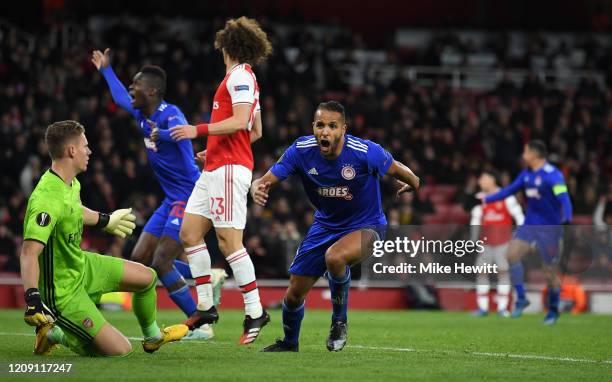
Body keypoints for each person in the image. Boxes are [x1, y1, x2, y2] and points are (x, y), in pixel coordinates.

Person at [251, 101, 420, 352]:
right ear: (313, 127)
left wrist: (414, 183)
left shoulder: (365, 152)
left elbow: (399, 169)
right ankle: (289, 343)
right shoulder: (300, 151)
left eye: (332, 126)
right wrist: (257, 186)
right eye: (320, 125)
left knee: (335, 257)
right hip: (325, 226)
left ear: (343, 129)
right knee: (294, 292)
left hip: (367, 225)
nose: (325, 132)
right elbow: (266, 179)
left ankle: (339, 322)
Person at [21, 120, 187, 357]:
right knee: (120, 350)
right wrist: (33, 298)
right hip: (62, 291)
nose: (89, 151)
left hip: (82, 265)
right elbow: (29, 252)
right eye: (85, 146)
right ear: (71, 151)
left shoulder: (70, 183)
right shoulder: (46, 199)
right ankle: (52, 333)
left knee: (147, 278)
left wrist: (106, 220)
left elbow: (76, 210)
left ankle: (153, 338)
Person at [92, 49, 225, 339]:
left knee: (161, 262)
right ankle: (205, 277)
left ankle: (200, 324)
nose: (131, 88)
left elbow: (181, 137)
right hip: (170, 198)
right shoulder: (141, 113)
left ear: (152, 91)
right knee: (140, 257)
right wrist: (106, 70)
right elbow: (119, 98)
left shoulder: (170, 114)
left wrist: (161, 134)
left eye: (136, 84)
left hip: (190, 196)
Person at [169, 16, 271, 344]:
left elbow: (241, 121)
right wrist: (211, 147)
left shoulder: (239, 77)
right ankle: (205, 307)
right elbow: (256, 131)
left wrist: (198, 131)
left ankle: (255, 311)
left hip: (229, 169)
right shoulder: (242, 79)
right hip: (215, 165)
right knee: (189, 233)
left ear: (227, 45)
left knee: (229, 243)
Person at [480, 140, 573, 325]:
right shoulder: (526, 175)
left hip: (550, 229)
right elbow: (509, 190)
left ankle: (553, 310)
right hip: (530, 224)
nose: (523, 155)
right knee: (511, 255)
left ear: (535, 155)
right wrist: (487, 199)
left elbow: (564, 199)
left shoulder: (553, 176)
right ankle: (522, 298)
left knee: (549, 271)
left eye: (526, 151)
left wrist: (567, 219)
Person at [470, 169, 524, 317]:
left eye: (483, 178)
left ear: (492, 179)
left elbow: (519, 218)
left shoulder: (506, 197)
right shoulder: (479, 198)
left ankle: (502, 308)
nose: (480, 182)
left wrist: (521, 237)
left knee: (503, 272)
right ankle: (483, 308)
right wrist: (473, 240)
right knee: (481, 272)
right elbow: (475, 220)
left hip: (504, 242)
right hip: (485, 243)